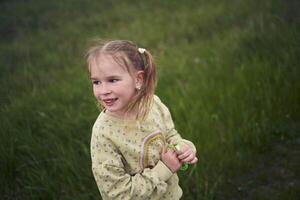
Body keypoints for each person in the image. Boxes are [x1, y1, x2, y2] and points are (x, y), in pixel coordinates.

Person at [86, 40, 198, 200]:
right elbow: (117, 194)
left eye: (112, 80)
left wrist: (183, 148)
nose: (103, 91)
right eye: (96, 82)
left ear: (138, 80)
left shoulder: (153, 104)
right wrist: (165, 168)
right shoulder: (103, 134)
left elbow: (171, 136)